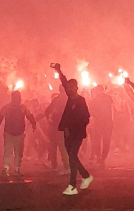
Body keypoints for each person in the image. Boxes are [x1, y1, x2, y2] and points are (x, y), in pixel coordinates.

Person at [54, 63, 93, 195]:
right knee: (73, 156)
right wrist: (59, 70)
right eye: (68, 88)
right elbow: (64, 82)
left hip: (77, 133)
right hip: (67, 133)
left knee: (72, 156)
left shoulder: (81, 101)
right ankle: (86, 176)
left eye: (71, 87)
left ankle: (72, 185)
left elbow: (86, 118)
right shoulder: (70, 98)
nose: (69, 89)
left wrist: (74, 128)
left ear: (76, 88)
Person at [0, 91, 36, 177]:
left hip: (19, 133)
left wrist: (33, 123)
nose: (18, 99)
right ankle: (6, 168)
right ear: (13, 98)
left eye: (19, 97)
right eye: (17, 97)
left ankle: (16, 168)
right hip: (9, 132)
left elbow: (29, 116)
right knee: (9, 151)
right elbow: (0, 118)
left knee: (18, 151)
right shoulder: (7, 107)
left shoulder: (22, 107)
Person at [45, 85, 70, 174]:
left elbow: (47, 111)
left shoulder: (57, 99)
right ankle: (67, 166)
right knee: (64, 146)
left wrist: (50, 118)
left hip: (57, 126)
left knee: (55, 145)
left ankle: (56, 165)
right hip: (67, 126)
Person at [89, 85, 113, 168]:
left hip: (98, 122)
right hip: (107, 122)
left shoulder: (94, 100)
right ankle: (102, 158)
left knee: (97, 141)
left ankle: (99, 157)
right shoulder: (109, 98)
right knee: (106, 141)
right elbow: (113, 110)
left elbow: (91, 112)